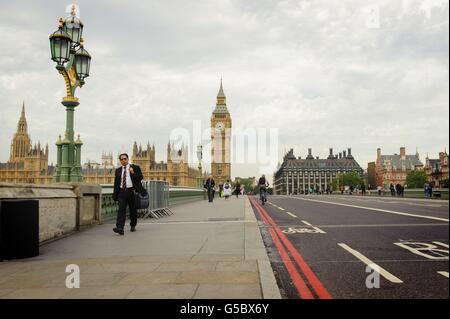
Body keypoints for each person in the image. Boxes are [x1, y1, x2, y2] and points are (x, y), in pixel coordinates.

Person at [112, 153, 144, 236]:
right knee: (121, 210)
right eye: (121, 159)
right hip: (122, 191)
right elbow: (116, 183)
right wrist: (115, 194)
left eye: (125, 158)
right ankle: (120, 228)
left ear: (128, 159)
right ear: (120, 160)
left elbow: (140, 177)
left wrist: (133, 173)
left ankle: (133, 225)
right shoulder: (118, 170)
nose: (123, 160)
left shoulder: (135, 167)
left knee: (132, 210)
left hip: (131, 191)